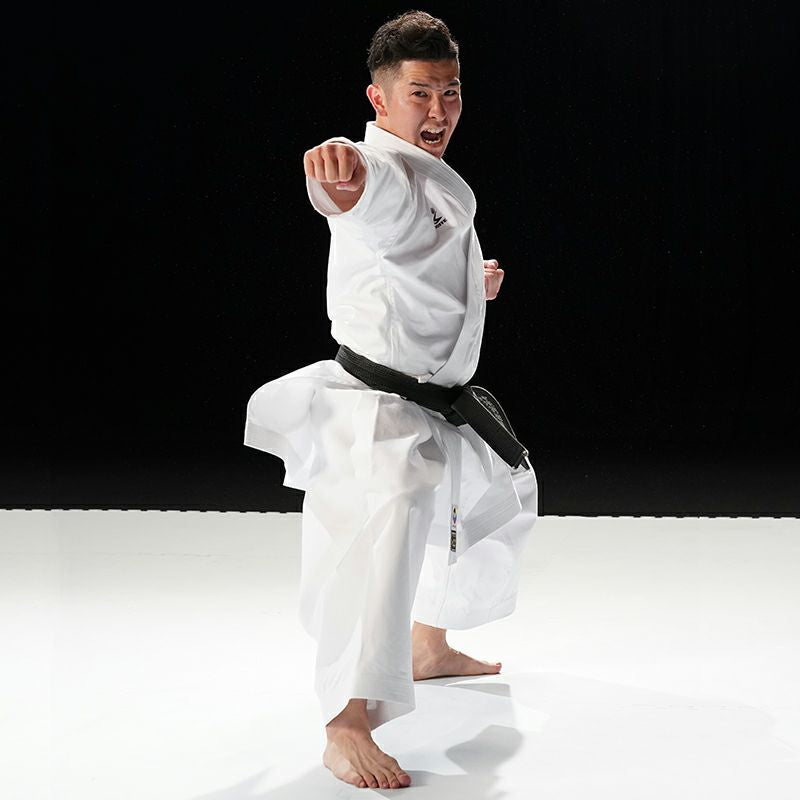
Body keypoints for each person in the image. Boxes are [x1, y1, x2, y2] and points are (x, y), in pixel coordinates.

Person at [243, 9, 538, 790]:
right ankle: (345, 723)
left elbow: (410, 269)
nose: (437, 112)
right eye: (418, 95)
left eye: (450, 92)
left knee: (459, 510)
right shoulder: (387, 175)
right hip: (377, 411)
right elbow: (361, 199)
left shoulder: (432, 180)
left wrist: (471, 289)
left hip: (430, 401)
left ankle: (427, 646)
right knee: (378, 551)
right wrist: (341, 175)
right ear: (379, 102)